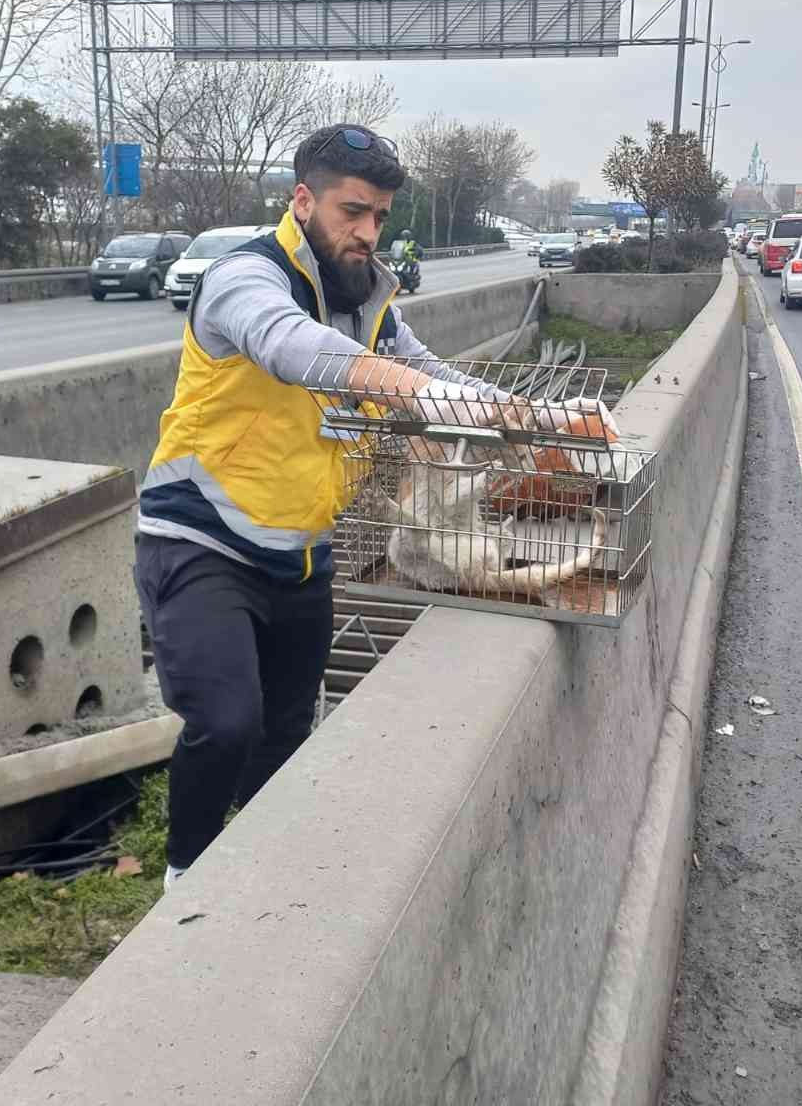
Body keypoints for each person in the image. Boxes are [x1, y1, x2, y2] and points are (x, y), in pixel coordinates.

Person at [137, 124, 541, 891]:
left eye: (380, 217)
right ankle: (183, 875)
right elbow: (294, 347)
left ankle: (252, 872)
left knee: (287, 730)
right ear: (302, 200)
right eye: (353, 211)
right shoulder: (244, 280)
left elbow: (425, 368)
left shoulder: (367, 298)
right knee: (227, 721)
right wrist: (421, 393)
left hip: (301, 551)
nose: (367, 232)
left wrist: (534, 419)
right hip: (200, 536)